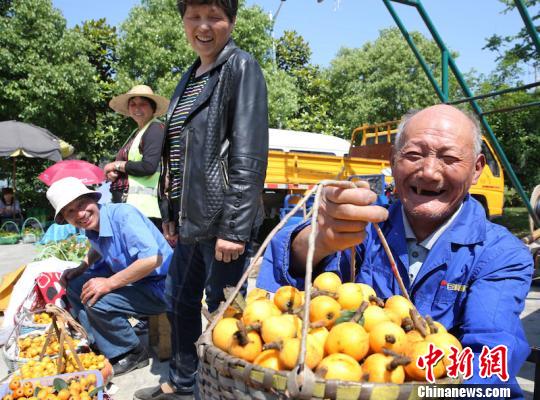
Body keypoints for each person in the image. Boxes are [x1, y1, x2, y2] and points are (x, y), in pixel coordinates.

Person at [257, 104, 533, 398]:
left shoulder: (501, 255)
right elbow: (297, 276)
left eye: (449, 158)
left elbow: (489, 359)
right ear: (392, 160)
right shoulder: (368, 230)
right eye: (413, 155)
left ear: (476, 169)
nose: (428, 172)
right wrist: (317, 240)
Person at [135, 1, 268, 399]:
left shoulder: (240, 67)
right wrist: (171, 211)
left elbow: (248, 151)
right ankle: (182, 381)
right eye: (194, 17)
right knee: (177, 301)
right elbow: (177, 152)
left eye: (214, 17)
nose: (203, 26)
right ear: (183, 22)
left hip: (221, 219)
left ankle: (221, 390)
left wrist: (235, 227)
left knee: (224, 314)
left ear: (232, 21)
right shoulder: (189, 76)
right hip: (191, 220)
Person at [46, 177, 173, 376]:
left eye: (82, 204)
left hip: (162, 287)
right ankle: (97, 341)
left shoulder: (123, 215)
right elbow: (98, 247)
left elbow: (151, 260)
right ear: (65, 218)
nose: (80, 214)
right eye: (70, 211)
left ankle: (131, 351)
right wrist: (81, 267)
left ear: (93, 199)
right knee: (76, 283)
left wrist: (110, 283)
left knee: (98, 299)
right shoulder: (93, 226)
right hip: (138, 281)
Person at [104, 85, 169, 230]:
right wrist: (115, 173)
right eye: (133, 104)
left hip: (146, 209)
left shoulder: (155, 129)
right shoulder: (136, 132)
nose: (137, 108)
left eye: (142, 104)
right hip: (129, 206)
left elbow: (148, 167)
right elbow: (131, 167)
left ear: (153, 108)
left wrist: (115, 165)